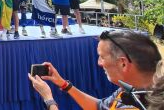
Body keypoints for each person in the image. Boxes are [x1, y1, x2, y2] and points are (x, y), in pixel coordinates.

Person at [28, 30, 162, 110]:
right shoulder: (130, 91)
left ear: (123, 63)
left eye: (102, 57)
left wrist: (48, 99)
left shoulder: (131, 105)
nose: (98, 63)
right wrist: (64, 84)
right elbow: (99, 107)